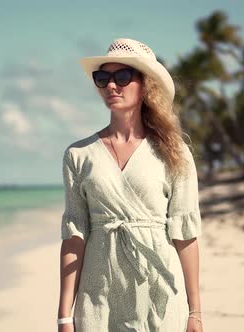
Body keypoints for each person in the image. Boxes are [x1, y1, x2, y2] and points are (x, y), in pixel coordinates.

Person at [58, 38, 203, 332]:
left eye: (122, 76)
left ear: (145, 84)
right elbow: (74, 237)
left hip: (160, 292)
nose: (112, 86)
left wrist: (195, 311)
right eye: (103, 78)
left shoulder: (174, 152)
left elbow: (185, 235)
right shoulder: (78, 155)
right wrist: (64, 315)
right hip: (99, 296)